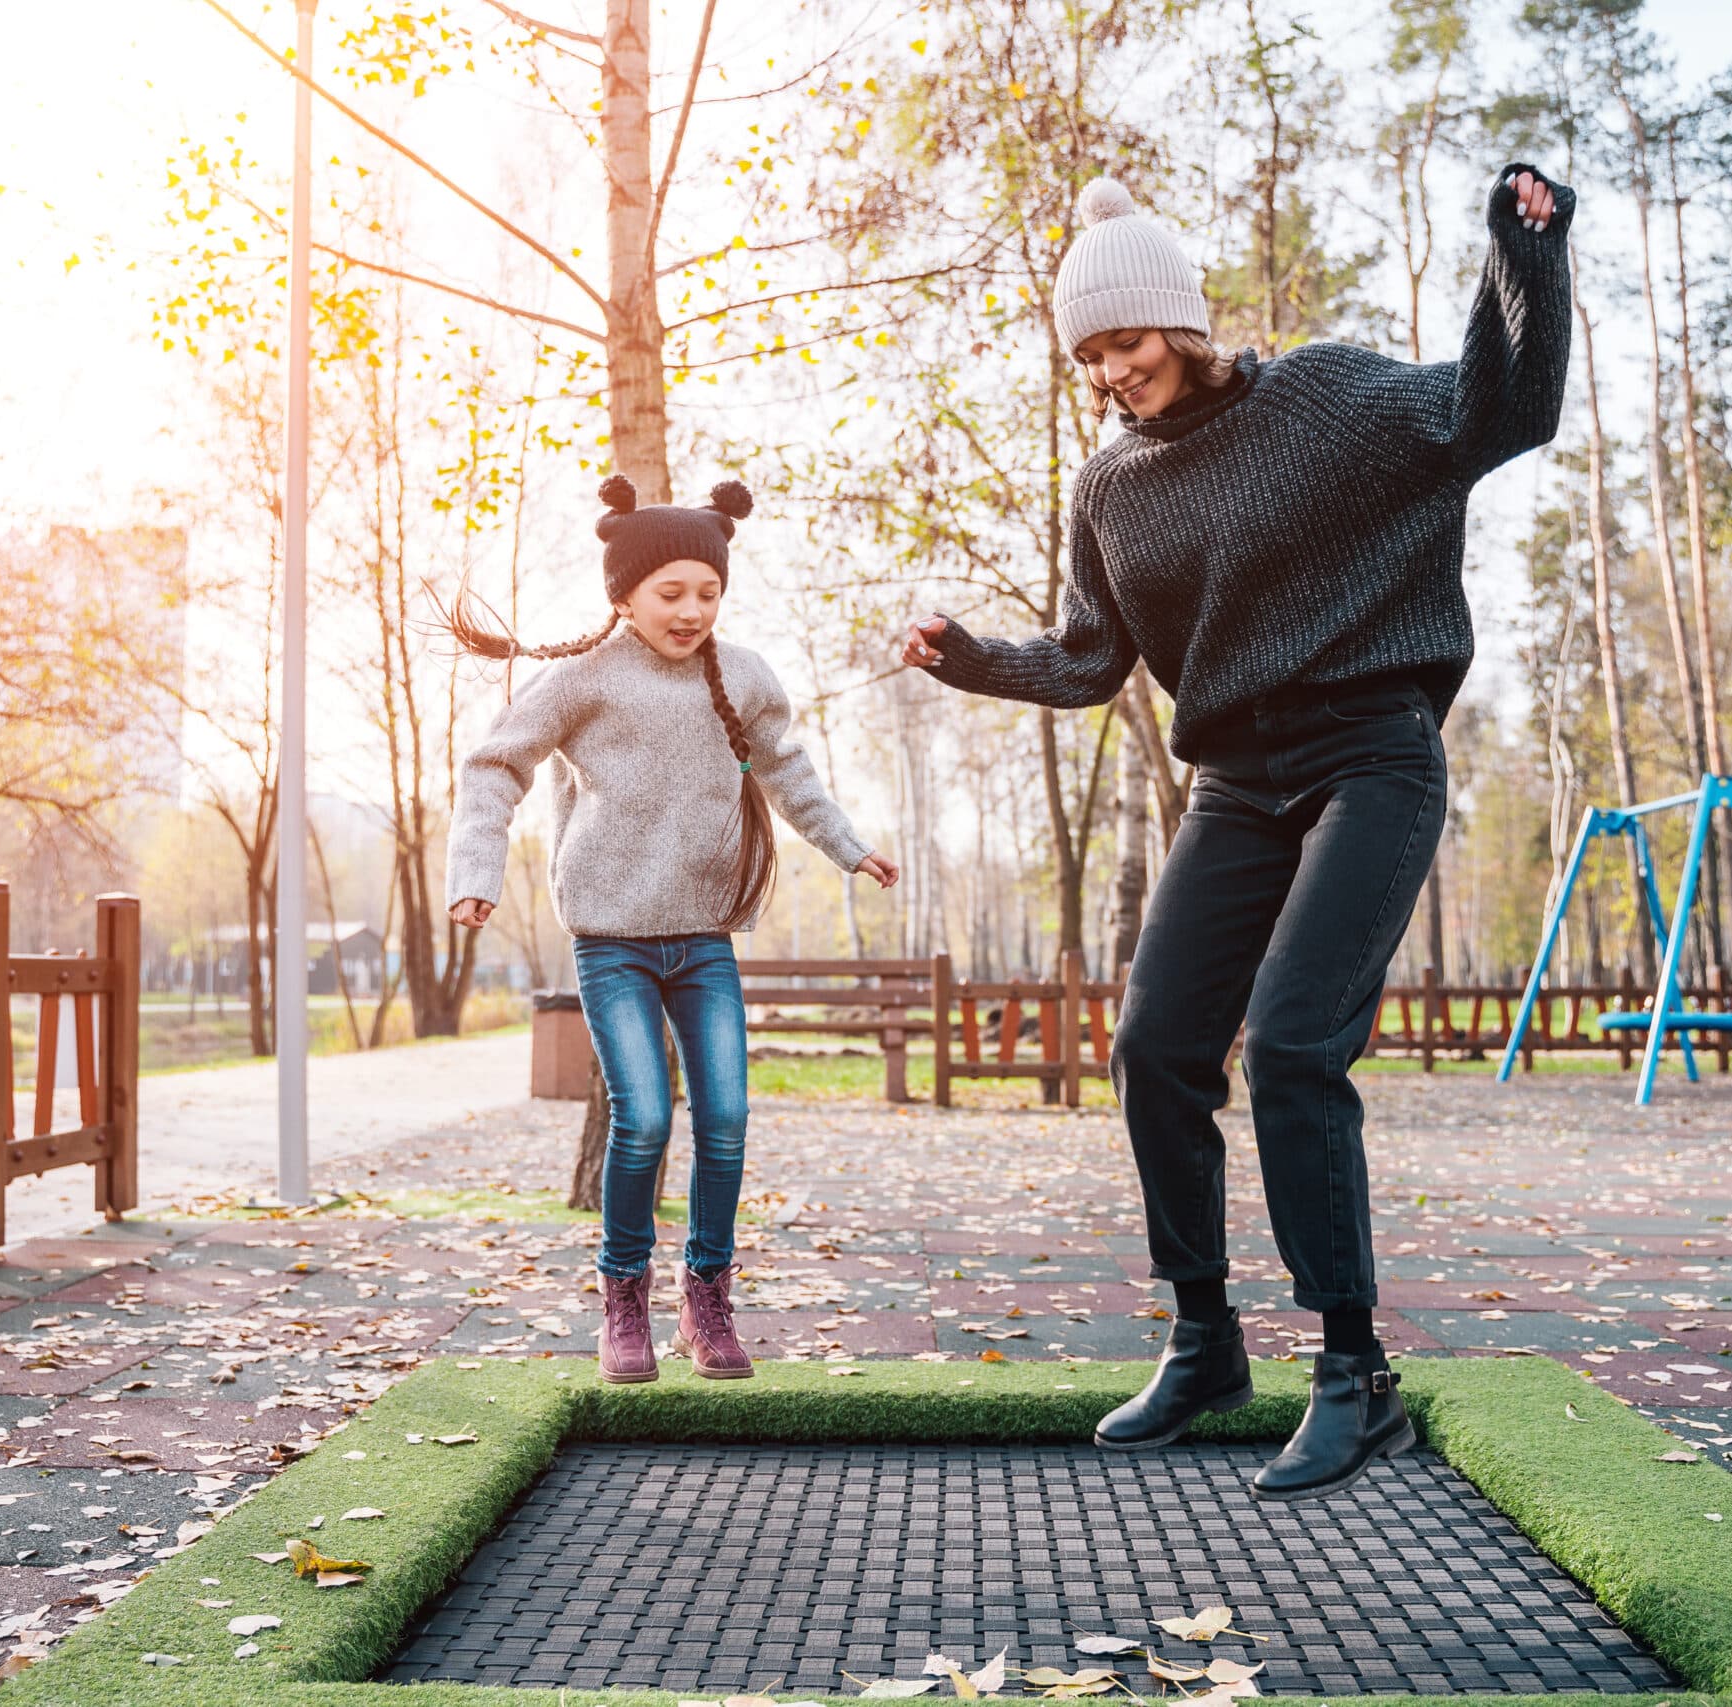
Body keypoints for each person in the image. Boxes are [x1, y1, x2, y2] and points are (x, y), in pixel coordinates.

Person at [901, 165, 1571, 1498]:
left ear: (1187, 325)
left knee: (1296, 1044)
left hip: (1372, 754)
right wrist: (973, 657)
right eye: (1087, 354)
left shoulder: (1327, 398)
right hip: (1238, 783)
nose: (1109, 372)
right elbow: (1093, 657)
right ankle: (1205, 1340)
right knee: (1154, 1045)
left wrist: (1526, 253)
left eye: (1128, 342)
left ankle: (1352, 1370)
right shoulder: (1108, 491)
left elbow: (1499, 405)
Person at [448, 474, 898, 1384]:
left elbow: (790, 772)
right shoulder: (582, 680)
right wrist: (476, 872)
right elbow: (495, 764)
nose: (692, 609)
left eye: (708, 590)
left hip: (704, 940)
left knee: (726, 1117)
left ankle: (706, 1297)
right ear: (625, 594)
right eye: (671, 592)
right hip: (610, 940)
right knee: (645, 1119)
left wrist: (849, 846)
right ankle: (623, 1298)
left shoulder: (744, 676)